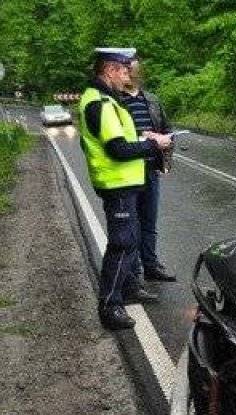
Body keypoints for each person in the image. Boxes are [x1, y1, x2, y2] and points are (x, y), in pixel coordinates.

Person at [78, 48, 173, 330]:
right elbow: (118, 149)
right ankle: (110, 306)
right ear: (109, 70)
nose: (126, 76)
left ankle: (124, 291)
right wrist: (154, 144)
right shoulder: (101, 104)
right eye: (123, 71)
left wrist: (143, 136)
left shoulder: (103, 100)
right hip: (117, 184)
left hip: (123, 184)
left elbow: (117, 137)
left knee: (127, 242)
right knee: (122, 245)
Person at [119, 56, 176, 283]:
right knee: (131, 225)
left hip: (151, 169)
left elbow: (167, 130)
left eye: (134, 70)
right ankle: (133, 273)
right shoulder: (116, 102)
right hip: (128, 170)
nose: (132, 74)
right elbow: (115, 138)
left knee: (149, 222)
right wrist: (144, 137)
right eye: (128, 70)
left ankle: (151, 266)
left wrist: (166, 158)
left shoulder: (152, 100)